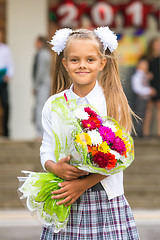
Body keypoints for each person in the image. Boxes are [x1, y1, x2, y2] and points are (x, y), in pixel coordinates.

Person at [40, 27, 140, 239]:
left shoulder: (112, 102)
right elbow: (46, 148)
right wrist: (54, 166)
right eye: (75, 60)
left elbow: (121, 155)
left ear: (102, 63)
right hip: (66, 197)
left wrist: (82, 184)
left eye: (90, 60)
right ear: (65, 63)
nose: (82, 65)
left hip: (106, 200)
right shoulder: (54, 104)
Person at [131, 56, 156, 137]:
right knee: (139, 116)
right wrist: (149, 90)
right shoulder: (137, 76)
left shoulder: (144, 75)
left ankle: (140, 133)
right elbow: (137, 88)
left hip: (144, 100)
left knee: (143, 116)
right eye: (143, 64)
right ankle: (137, 134)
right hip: (139, 100)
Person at [32, 36, 52, 138]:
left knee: (40, 107)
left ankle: (41, 131)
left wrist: (35, 85)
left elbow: (40, 71)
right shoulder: (43, 54)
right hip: (43, 84)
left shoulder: (43, 54)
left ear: (40, 42)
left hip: (42, 84)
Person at [143, 37, 160, 137]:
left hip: (158, 84)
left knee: (158, 108)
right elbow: (141, 69)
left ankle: (158, 132)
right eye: (156, 43)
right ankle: (145, 132)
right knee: (148, 109)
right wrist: (146, 74)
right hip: (149, 85)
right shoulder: (147, 58)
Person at [0, 30, 14, 137]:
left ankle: (6, 132)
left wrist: (8, 75)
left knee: (6, 104)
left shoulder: (5, 49)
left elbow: (10, 63)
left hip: (3, 80)